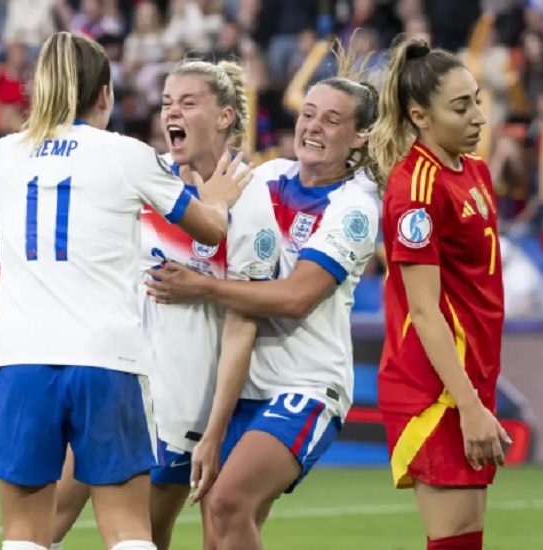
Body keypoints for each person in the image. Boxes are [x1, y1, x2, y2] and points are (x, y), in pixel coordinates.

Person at [0, 31, 249, 550]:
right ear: (104, 94)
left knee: (23, 536)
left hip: (20, 359)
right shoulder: (127, 156)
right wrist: (217, 198)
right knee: (128, 530)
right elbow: (211, 230)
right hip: (107, 359)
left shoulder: (3, 156)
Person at [145, 38, 381, 550]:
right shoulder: (269, 176)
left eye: (332, 121)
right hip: (242, 386)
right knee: (220, 526)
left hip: (306, 386)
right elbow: (207, 203)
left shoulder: (355, 207)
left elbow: (297, 296)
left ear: (361, 136)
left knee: (228, 501)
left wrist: (200, 287)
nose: (313, 127)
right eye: (309, 114)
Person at [51, 58, 279, 550]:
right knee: (50, 514)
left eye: (188, 102)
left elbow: (244, 324)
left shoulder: (250, 199)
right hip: (115, 376)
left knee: (147, 535)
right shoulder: (148, 178)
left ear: (223, 117)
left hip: (180, 403)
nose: (171, 112)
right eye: (167, 102)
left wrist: (216, 431)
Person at [369, 37, 510, 550]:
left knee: (466, 539)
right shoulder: (415, 190)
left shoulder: (474, 172)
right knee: (452, 540)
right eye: (460, 106)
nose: (478, 116)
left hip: (470, 378)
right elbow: (424, 312)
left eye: (476, 99)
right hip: (435, 388)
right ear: (419, 116)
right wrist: (469, 406)